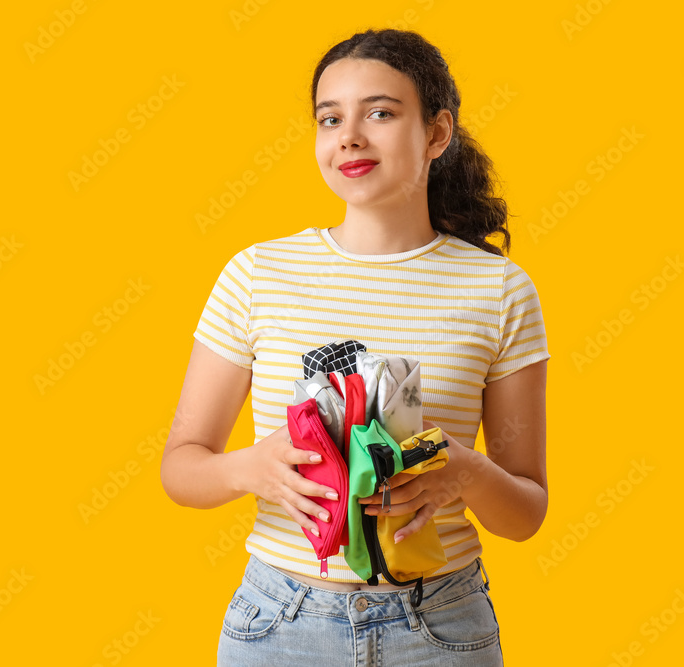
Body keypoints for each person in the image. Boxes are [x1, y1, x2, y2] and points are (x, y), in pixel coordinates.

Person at [160, 28, 549, 665]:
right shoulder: (257, 274)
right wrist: (247, 468)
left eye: (380, 113)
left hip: (441, 629)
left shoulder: (500, 289)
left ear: (437, 134)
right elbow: (181, 466)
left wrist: (469, 473)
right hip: (279, 625)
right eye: (330, 118)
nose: (349, 136)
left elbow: (525, 511)